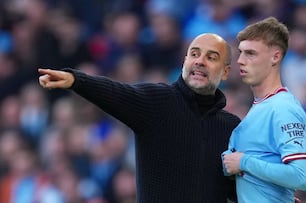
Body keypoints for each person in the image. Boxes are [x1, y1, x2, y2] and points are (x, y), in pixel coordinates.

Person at [38, 33, 240, 203]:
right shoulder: (159, 102)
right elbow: (117, 93)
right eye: (194, 54)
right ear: (184, 61)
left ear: (225, 72)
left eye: (211, 57)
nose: (200, 61)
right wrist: (76, 80)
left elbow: (241, 191)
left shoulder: (232, 127)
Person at [222, 17, 306, 203]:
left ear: (275, 56)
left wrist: (243, 162)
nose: (240, 60)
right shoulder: (260, 107)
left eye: (250, 53)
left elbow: (302, 176)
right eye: (240, 53)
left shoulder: (282, 108)